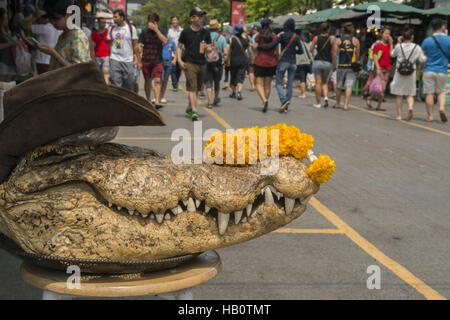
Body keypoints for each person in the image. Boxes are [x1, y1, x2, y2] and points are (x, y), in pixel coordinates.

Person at [254, 18, 303, 113]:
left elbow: (270, 46)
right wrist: (293, 51)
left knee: (276, 84)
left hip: (273, 61)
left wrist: (258, 47)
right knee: (287, 84)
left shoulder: (280, 36)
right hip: (290, 62)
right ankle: (286, 102)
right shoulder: (295, 36)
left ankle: (270, 101)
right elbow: (300, 51)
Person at [177, 7, 211, 121]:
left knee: (197, 88)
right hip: (189, 63)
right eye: (199, 16)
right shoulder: (185, 32)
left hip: (202, 63)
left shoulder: (205, 32)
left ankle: (189, 107)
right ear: (192, 18)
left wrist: (208, 48)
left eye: (202, 16)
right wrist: (179, 61)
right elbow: (179, 47)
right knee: (192, 87)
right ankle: (195, 111)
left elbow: (210, 48)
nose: (201, 18)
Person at [37, 0, 90, 71]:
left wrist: (54, 54)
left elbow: (79, 71)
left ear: (69, 14)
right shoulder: (64, 34)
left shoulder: (78, 38)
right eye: (50, 18)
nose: (52, 22)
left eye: (56, 18)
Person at [390, 29, 427, 121]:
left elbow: (392, 54)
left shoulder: (399, 46)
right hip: (411, 73)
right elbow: (422, 59)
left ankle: (399, 115)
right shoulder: (416, 47)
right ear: (412, 37)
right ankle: (410, 107)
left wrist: (397, 43)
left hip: (400, 72)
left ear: (402, 37)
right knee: (410, 94)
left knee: (399, 94)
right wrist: (426, 56)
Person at [421, 18, 449, 123]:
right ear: (442, 27)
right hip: (442, 70)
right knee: (441, 92)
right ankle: (441, 107)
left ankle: (430, 116)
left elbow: (422, 55)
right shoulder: (448, 39)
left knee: (429, 93)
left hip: (428, 69)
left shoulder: (427, 40)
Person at [139, 13, 167, 108]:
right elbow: (139, 45)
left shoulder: (162, 30)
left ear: (157, 22)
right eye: (149, 22)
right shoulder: (144, 32)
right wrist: (138, 60)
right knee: (147, 81)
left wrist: (156, 30)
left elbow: (165, 41)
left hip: (158, 60)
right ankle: (148, 100)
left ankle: (157, 101)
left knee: (158, 80)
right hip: (146, 60)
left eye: (152, 22)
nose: (150, 24)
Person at [108, 9, 140, 91]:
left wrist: (139, 61)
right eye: (113, 17)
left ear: (122, 17)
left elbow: (136, 45)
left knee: (129, 84)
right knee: (115, 84)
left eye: (116, 17)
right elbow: (109, 44)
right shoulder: (111, 29)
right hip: (115, 59)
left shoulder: (131, 28)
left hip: (128, 60)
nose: (114, 19)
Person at [333, 22, 360, 111]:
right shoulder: (355, 40)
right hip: (351, 66)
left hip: (341, 65)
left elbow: (334, 53)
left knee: (339, 85)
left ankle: (337, 104)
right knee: (349, 86)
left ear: (343, 30)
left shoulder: (339, 40)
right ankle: (345, 105)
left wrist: (334, 64)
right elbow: (357, 54)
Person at [253, 18, 278, 112]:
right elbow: (276, 51)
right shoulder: (274, 37)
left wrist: (253, 60)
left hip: (260, 62)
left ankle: (264, 100)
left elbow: (255, 50)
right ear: (268, 25)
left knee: (258, 84)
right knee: (267, 85)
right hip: (271, 62)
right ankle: (265, 102)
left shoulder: (258, 37)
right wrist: (277, 61)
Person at [310, 22, 336, 108]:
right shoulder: (332, 38)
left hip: (317, 62)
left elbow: (311, 49)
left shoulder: (316, 38)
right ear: (328, 29)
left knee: (318, 83)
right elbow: (334, 53)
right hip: (327, 63)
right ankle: (325, 98)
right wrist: (334, 64)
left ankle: (318, 103)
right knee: (325, 83)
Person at [366, 27, 393, 111]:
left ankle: (377, 105)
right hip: (379, 68)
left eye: (389, 34)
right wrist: (377, 68)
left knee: (382, 89)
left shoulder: (389, 45)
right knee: (380, 88)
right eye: (386, 33)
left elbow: (391, 54)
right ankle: (371, 98)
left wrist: (392, 44)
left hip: (387, 68)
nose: (387, 36)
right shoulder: (378, 45)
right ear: (381, 34)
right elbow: (374, 57)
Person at [205, 19, 227, 108]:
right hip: (218, 64)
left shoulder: (205, 37)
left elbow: (201, 50)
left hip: (207, 63)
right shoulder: (222, 38)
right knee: (217, 82)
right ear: (218, 28)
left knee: (208, 82)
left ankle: (209, 102)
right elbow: (225, 52)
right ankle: (216, 98)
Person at [227, 24, 249, 101]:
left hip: (233, 61)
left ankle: (233, 92)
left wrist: (227, 59)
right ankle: (239, 92)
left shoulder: (231, 39)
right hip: (243, 61)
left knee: (233, 76)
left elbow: (229, 51)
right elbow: (247, 49)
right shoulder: (246, 40)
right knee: (241, 76)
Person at [0, 8, 19, 82]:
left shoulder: (6, 30)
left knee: (8, 85)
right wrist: (11, 43)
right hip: (2, 61)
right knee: (2, 86)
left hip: (10, 61)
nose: (6, 20)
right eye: (5, 18)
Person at [90, 17, 110, 83]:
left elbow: (116, 44)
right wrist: (92, 59)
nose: (104, 24)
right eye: (102, 22)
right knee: (98, 74)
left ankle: (107, 88)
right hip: (97, 56)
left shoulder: (109, 32)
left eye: (105, 22)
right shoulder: (94, 34)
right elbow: (92, 48)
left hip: (107, 56)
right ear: (98, 23)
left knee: (105, 73)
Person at [167, 15, 183, 91]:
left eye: (175, 20)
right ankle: (175, 84)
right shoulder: (170, 31)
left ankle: (176, 81)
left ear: (178, 21)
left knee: (179, 70)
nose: (174, 21)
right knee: (173, 69)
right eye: (172, 20)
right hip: (172, 53)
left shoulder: (182, 31)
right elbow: (168, 41)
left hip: (181, 53)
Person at [296, 30, 313, 99]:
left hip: (301, 62)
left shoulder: (299, 43)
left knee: (302, 79)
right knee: (311, 75)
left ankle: (303, 94)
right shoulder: (311, 43)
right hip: (309, 62)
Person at [159, 38, 177, 104]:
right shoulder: (158, 41)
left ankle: (162, 96)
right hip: (159, 62)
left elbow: (175, 52)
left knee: (165, 81)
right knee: (159, 80)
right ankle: (157, 96)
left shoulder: (171, 42)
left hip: (168, 62)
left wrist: (174, 60)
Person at [248, 26, 259, 92]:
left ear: (255, 30)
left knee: (251, 71)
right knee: (257, 71)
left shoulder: (255, 36)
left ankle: (253, 85)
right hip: (260, 56)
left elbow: (255, 46)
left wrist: (249, 44)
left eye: (252, 30)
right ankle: (257, 85)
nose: (251, 31)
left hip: (254, 55)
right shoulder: (260, 35)